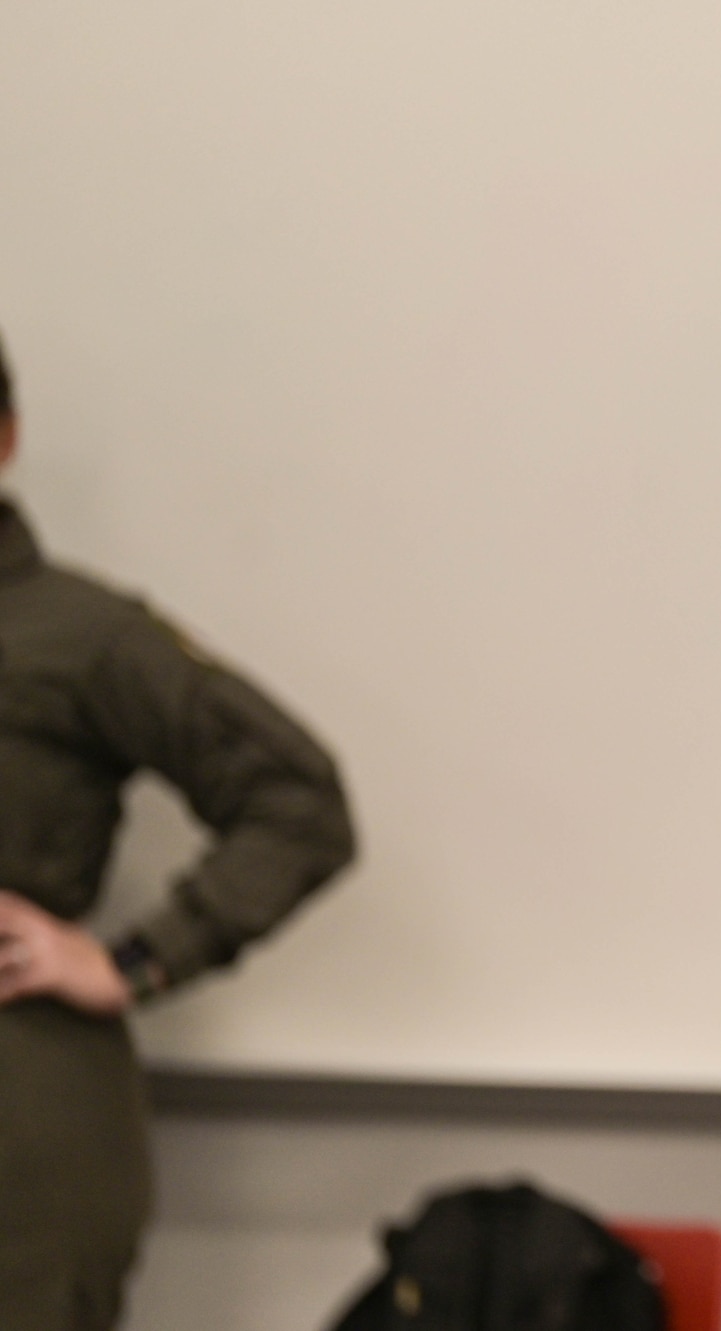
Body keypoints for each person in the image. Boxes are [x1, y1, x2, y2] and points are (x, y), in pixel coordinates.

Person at [0, 331, 357, 1331]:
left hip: (18, 1148)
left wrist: (137, 961)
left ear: (7, 439)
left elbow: (298, 801)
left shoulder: (78, 634)